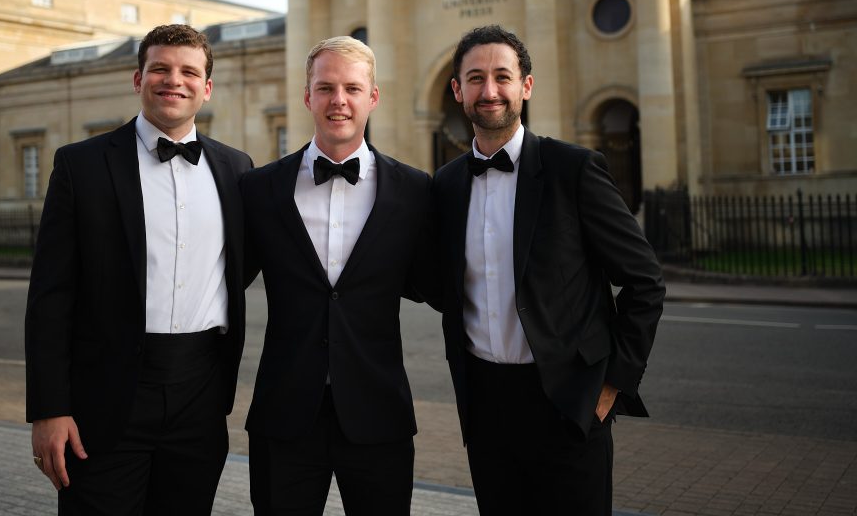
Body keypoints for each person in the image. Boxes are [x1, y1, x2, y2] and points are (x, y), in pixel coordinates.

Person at [433, 25, 665, 516]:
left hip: (568, 401)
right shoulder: (446, 186)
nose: (489, 91)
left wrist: (611, 384)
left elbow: (644, 278)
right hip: (486, 404)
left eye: (502, 76)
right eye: (475, 79)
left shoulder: (573, 169)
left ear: (526, 86)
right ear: (457, 91)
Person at [25, 24, 253, 515]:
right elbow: (50, 297)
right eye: (161, 69)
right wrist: (48, 409)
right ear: (138, 78)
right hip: (104, 400)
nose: (175, 80)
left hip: (200, 397)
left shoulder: (237, 169)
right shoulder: (80, 165)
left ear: (206, 87)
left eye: (189, 72)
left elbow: (241, 268)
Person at [241, 36, 435, 515]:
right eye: (325, 88)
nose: (338, 101)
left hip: (378, 416)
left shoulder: (414, 191)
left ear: (373, 96)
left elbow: (440, 282)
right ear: (307, 96)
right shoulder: (260, 188)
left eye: (352, 87)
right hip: (284, 416)